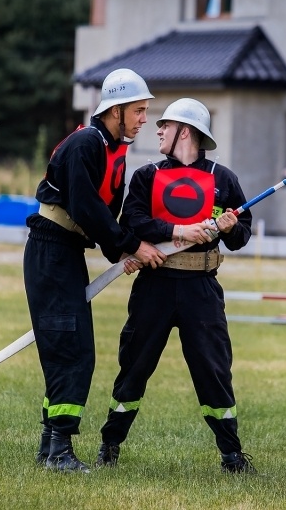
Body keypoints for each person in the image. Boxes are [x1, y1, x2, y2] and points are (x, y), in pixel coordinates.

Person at [95, 98, 256, 473]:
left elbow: (241, 236)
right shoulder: (146, 176)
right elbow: (133, 222)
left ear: (186, 132)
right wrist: (178, 230)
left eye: (165, 125)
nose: (158, 130)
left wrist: (232, 227)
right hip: (155, 286)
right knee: (134, 367)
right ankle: (109, 446)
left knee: (214, 371)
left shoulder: (224, 180)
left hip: (202, 289)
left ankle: (232, 456)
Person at [23, 68, 166, 473]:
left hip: (66, 252)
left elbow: (105, 216)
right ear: (115, 110)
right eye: (138, 111)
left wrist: (119, 253)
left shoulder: (113, 150)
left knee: (68, 346)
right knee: (72, 350)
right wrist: (131, 245)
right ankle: (59, 452)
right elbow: (86, 207)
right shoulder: (87, 144)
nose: (144, 119)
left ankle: (50, 447)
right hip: (51, 251)